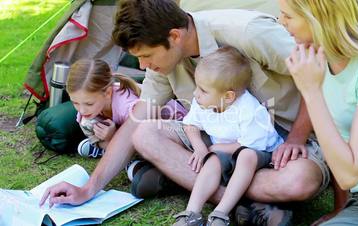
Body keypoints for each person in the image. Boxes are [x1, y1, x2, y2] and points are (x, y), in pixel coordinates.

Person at [40, 1, 330, 225]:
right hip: (218, 141)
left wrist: (297, 137)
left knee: (298, 181)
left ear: (175, 36)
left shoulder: (248, 32)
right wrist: (90, 188)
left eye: (146, 56)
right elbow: (135, 122)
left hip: (283, 138)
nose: (142, 67)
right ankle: (237, 205)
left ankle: (209, 189)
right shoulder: (165, 64)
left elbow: (323, 74)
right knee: (145, 133)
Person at [278, 0, 358, 225]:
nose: (281, 21)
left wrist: (311, 92)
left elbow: (349, 175)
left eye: (288, 16)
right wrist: (341, 210)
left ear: (318, 17)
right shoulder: (318, 64)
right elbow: (338, 147)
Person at [173, 46, 284, 225]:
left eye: (203, 90)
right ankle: (192, 213)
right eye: (197, 87)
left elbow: (249, 145)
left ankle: (220, 214)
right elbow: (190, 124)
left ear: (228, 96)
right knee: (213, 159)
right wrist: (200, 147)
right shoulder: (202, 103)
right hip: (228, 152)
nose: (195, 94)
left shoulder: (249, 109)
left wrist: (215, 148)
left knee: (245, 156)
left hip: (261, 152)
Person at [66, 59, 186, 158]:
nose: (81, 110)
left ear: (107, 93)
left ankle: (122, 156)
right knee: (86, 122)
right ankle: (103, 148)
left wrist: (112, 136)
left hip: (177, 129)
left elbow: (142, 138)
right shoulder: (91, 105)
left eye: (89, 104)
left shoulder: (126, 107)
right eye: (75, 102)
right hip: (140, 130)